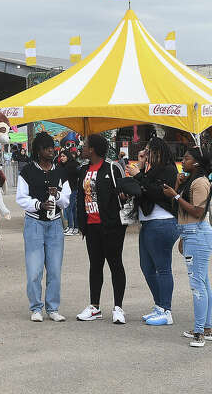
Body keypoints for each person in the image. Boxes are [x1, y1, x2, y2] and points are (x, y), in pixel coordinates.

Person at [74, 133, 139, 325]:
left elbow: (123, 192)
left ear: (92, 149)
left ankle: (118, 307)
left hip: (111, 227)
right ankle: (94, 307)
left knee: (115, 265)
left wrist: (124, 196)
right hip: (91, 226)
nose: (82, 148)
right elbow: (80, 198)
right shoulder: (83, 170)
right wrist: (81, 224)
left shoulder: (111, 168)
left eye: (85, 145)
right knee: (95, 266)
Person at [16, 131, 71, 322]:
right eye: (47, 148)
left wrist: (56, 197)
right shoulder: (27, 171)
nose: (51, 151)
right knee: (34, 269)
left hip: (55, 224)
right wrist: (39, 204)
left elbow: (67, 200)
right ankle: (36, 308)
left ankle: (53, 308)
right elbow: (21, 198)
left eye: (52, 147)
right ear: (38, 150)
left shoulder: (60, 171)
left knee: (55, 269)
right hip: (34, 223)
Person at [165, 146, 212, 347]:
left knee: (197, 285)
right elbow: (178, 211)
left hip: (198, 234)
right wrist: (177, 188)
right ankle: (206, 328)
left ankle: (200, 332)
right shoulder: (191, 181)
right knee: (203, 282)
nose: (182, 161)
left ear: (195, 162)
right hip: (191, 233)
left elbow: (197, 212)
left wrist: (175, 195)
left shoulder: (201, 182)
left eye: (185, 158)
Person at [132, 136, 181, 325]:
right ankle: (159, 305)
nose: (145, 153)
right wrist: (142, 165)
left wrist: (139, 174)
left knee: (162, 268)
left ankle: (166, 310)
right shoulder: (152, 170)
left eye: (148, 150)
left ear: (158, 151)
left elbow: (155, 191)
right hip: (148, 223)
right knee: (146, 267)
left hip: (162, 223)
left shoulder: (168, 169)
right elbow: (141, 187)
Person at [59, 143, 81, 236]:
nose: (62, 158)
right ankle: (75, 228)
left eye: (64, 156)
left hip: (73, 189)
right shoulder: (63, 166)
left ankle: (71, 227)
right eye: (61, 156)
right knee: (72, 209)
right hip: (66, 190)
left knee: (69, 208)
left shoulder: (73, 165)